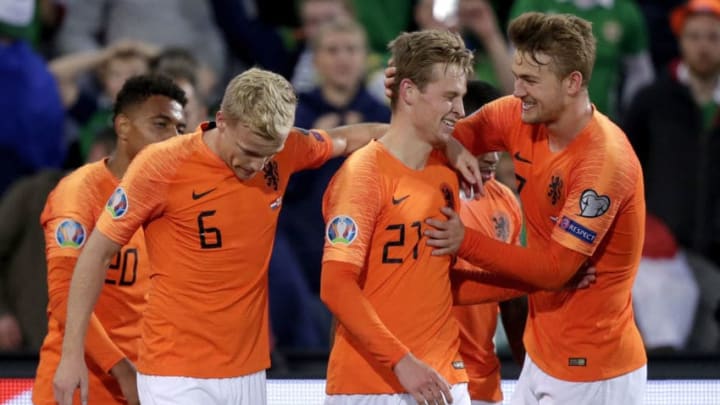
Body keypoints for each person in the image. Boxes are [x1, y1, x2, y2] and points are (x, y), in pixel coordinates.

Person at [52, 67, 405, 405]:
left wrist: (434, 140)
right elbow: (95, 255)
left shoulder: (285, 150)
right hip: (175, 373)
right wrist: (71, 355)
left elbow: (349, 137)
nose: (256, 165)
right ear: (221, 121)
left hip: (248, 371)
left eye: (268, 155)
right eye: (249, 151)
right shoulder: (161, 166)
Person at [422, 12, 647, 404]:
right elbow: (430, 140)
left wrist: (464, 241)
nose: (517, 90)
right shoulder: (516, 115)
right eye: (516, 76)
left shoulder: (604, 162)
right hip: (540, 356)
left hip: (594, 372)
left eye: (530, 81)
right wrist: (420, 112)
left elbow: (556, 269)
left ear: (573, 82)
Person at [320, 29, 475, 404]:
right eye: (450, 97)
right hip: (373, 385)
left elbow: (436, 278)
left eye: (462, 98)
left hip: (444, 381)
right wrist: (402, 362)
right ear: (408, 92)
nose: (460, 111)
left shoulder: (446, 170)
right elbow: (336, 285)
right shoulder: (363, 175)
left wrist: (547, 278)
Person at [34, 74, 188, 405]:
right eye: (160, 124)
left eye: (179, 128)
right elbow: (63, 294)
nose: (173, 138)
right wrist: (121, 370)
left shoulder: (173, 201)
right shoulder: (79, 193)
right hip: (81, 384)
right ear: (123, 127)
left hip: (148, 383)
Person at [452, 81, 528, 405]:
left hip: (484, 385)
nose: (495, 156)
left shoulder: (505, 201)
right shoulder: (422, 193)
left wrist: (530, 376)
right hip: (429, 380)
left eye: (499, 141)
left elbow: (513, 305)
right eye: (483, 142)